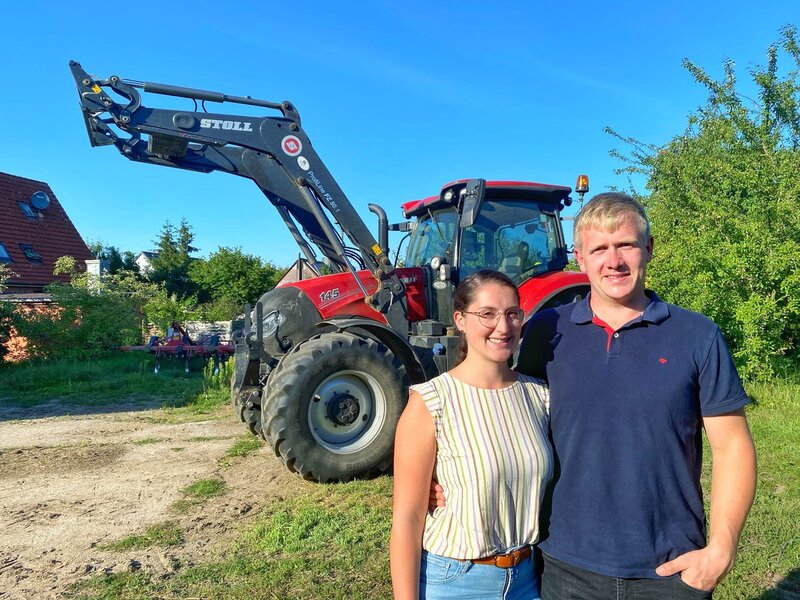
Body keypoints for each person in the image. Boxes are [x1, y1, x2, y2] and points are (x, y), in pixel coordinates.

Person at [434, 193, 757, 598]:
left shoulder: (697, 335)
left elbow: (732, 447)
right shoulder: (547, 332)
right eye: (599, 248)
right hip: (564, 565)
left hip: (671, 567)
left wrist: (722, 549)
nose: (613, 261)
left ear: (648, 248)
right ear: (580, 258)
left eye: (626, 245)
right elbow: (503, 408)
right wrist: (442, 474)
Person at [391, 270, 553, 600]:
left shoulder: (539, 395)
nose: (503, 326)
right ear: (461, 320)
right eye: (487, 314)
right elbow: (408, 518)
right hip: (458, 581)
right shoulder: (432, 401)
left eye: (512, 313)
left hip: (527, 578)